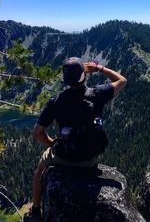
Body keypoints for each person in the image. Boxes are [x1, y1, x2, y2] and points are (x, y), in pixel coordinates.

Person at [23, 57, 127, 222]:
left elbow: (37, 134)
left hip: (62, 157)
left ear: (65, 80)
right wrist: (99, 68)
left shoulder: (56, 101)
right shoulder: (97, 94)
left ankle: (36, 211)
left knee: (39, 170)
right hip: (89, 160)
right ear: (83, 75)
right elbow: (122, 80)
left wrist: (52, 143)